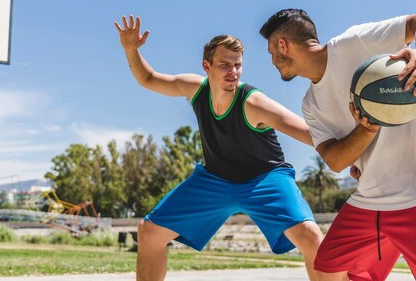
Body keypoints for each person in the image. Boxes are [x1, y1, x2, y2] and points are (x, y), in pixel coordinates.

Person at [259, 9, 416, 281]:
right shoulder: (311, 104)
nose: (272, 61)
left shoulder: (354, 43)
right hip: (370, 201)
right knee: (327, 267)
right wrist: (366, 128)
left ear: (283, 45)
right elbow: (335, 160)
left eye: (271, 51)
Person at [115, 15, 323, 281]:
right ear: (207, 66)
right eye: (225, 65)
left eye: (237, 65)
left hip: (264, 179)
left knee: (312, 239)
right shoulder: (195, 89)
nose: (232, 71)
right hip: (215, 178)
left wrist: (355, 156)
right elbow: (148, 78)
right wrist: (131, 49)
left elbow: (310, 134)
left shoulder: (253, 102)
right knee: (149, 231)